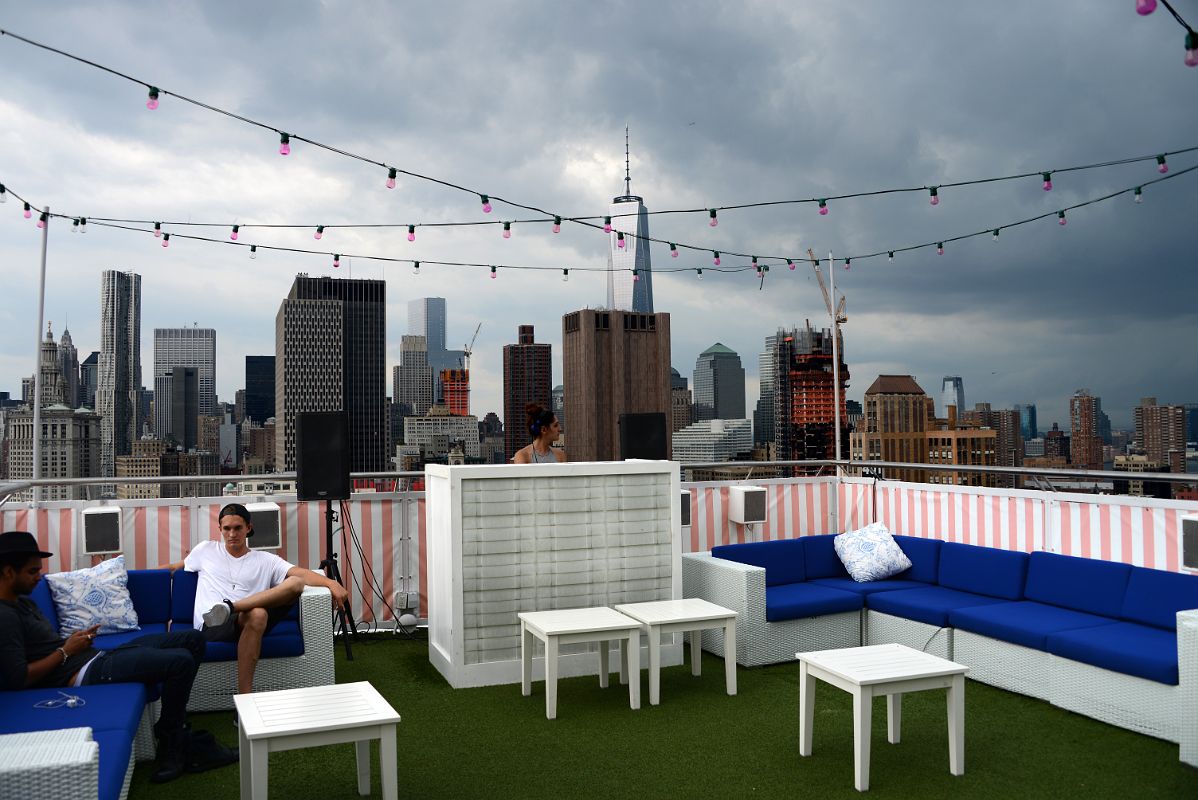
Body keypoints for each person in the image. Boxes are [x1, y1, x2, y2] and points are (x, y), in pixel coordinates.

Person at [0, 530, 208, 783]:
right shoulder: (5, 617)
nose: (39, 577)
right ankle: (171, 739)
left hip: (96, 656)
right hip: (81, 674)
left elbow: (45, 646)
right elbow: (18, 678)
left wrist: (75, 642)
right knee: (181, 662)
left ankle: (173, 720)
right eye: (32, 572)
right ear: (8, 572)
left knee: (193, 639)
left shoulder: (23, 603)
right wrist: (66, 650)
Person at [160, 503, 349, 696]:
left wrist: (331, 584)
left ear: (248, 528)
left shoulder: (265, 559)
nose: (232, 534)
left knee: (295, 584)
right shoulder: (206, 550)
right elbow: (174, 568)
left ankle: (230, 607)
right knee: (258, 614)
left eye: (237, 528)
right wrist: (132, 577)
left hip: (246, 618)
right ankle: (245, 699)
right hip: (212, 623)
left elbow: (300, 573)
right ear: (220, 529)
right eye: (227, 528)